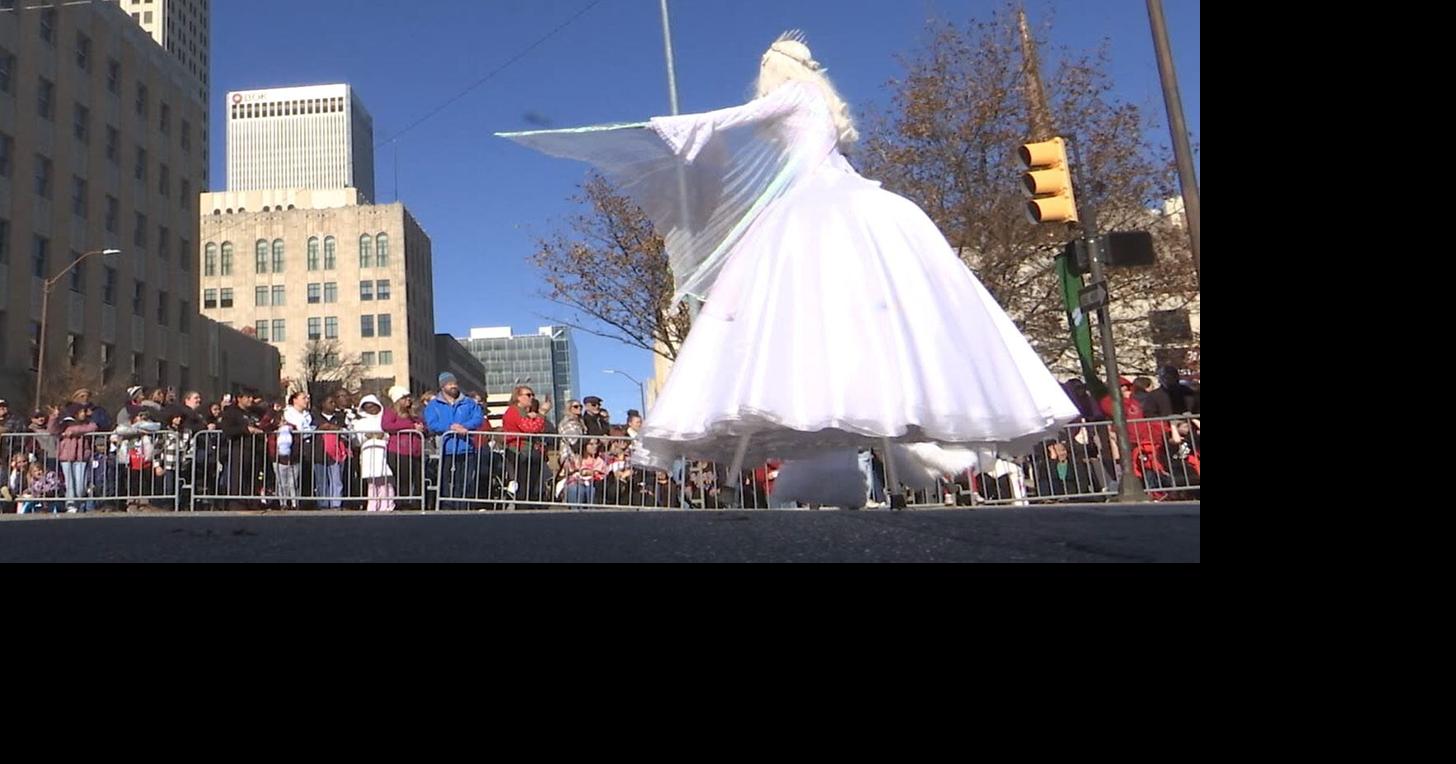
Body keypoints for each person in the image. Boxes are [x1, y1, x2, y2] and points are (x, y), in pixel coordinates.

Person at [500, 32, 1079, 505]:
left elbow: (737, 118)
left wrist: (670, 129)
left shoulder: (798, 98)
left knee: (801, 322)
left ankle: (852, 464)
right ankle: (849, 464)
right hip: (841, 209)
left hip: (815, 215)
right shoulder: (824, 110)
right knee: (849, 324)